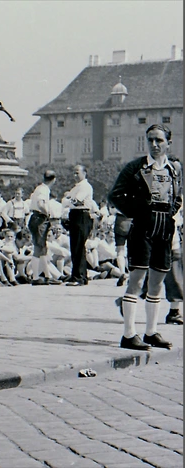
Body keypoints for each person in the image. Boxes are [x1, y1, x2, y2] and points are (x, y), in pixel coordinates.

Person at [108, 124, 182, 350]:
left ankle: (151, 332)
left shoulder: (174, 169)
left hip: (165, 229)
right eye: (150, 140)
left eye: (159, 140)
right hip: (142, 229)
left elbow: (177, 197)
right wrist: (139, 211)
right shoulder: (135, 167)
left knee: (158, 283)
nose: (154, 144)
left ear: (169, 143)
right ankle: (129, 334)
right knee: (137, 280)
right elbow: (115, 195)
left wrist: (170, 213)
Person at [28, 170, 61, 286]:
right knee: (38, 248)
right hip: (39, 218)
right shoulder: (44, 190)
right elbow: (41, 204)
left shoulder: (40, 188)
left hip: (37, 218)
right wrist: (48, 214)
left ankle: (47, 275)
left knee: (42, 248)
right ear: (54, 179)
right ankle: (36, 277)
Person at [63, 165, 94, 286]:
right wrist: (68, 199)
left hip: (81, 214)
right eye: (74, 173)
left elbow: (76, 201)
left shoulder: (85, 186)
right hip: (75, 215)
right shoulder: (77, 187)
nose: (75, 176)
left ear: (84, 173)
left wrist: (67, 200)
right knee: (75, 246)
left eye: (77, 173)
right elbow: (69, 198)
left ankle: (79, 277)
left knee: (79, 247)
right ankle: (77, 274)